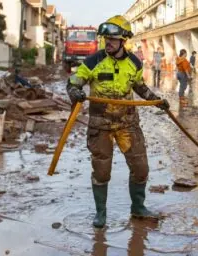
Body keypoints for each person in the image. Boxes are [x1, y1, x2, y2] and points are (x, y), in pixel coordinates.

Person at [66, 15, 170, 229]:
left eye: (113, 39)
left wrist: (156, 100)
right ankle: (101, 213)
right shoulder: (93, 61)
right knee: (101, 171)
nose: (108, 43)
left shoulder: (134, 63)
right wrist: (74, 90)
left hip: (127, 124)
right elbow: (75, 81)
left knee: (141, 169)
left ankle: (138, 208)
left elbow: (139, 86)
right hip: (100, 125)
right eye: (105, 39)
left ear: (124, 40)